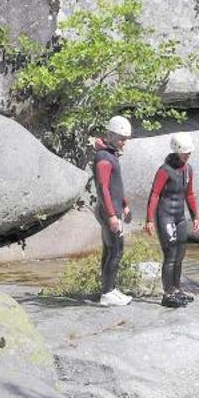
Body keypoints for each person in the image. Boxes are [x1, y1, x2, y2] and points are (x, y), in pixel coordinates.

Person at [145, 133, 199, 309]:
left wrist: (195, 216)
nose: (188, 155)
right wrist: (149, 220)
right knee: (170, 255)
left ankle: (177, 289)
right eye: (185, 153)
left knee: (180, 254)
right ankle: (168, 293)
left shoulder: (188, 169)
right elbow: (154, 194)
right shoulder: (164, 170)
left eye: (189, 153)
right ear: (177, 151)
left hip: (179, 217)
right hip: (165, 217)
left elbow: (189, 194)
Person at [90, 116, 133, 307]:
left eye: (126, 138)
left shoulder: (110, 154)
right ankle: (107, 293)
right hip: (108, 212)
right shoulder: (104, 158)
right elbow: (103, 188)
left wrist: (124, 205)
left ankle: (110, 289)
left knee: (110, 250)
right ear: (112, 135)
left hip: (113, 210)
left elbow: (117, 186)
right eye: (122, 138)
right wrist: (112, 216)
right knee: (116, 250)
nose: (125, 142)